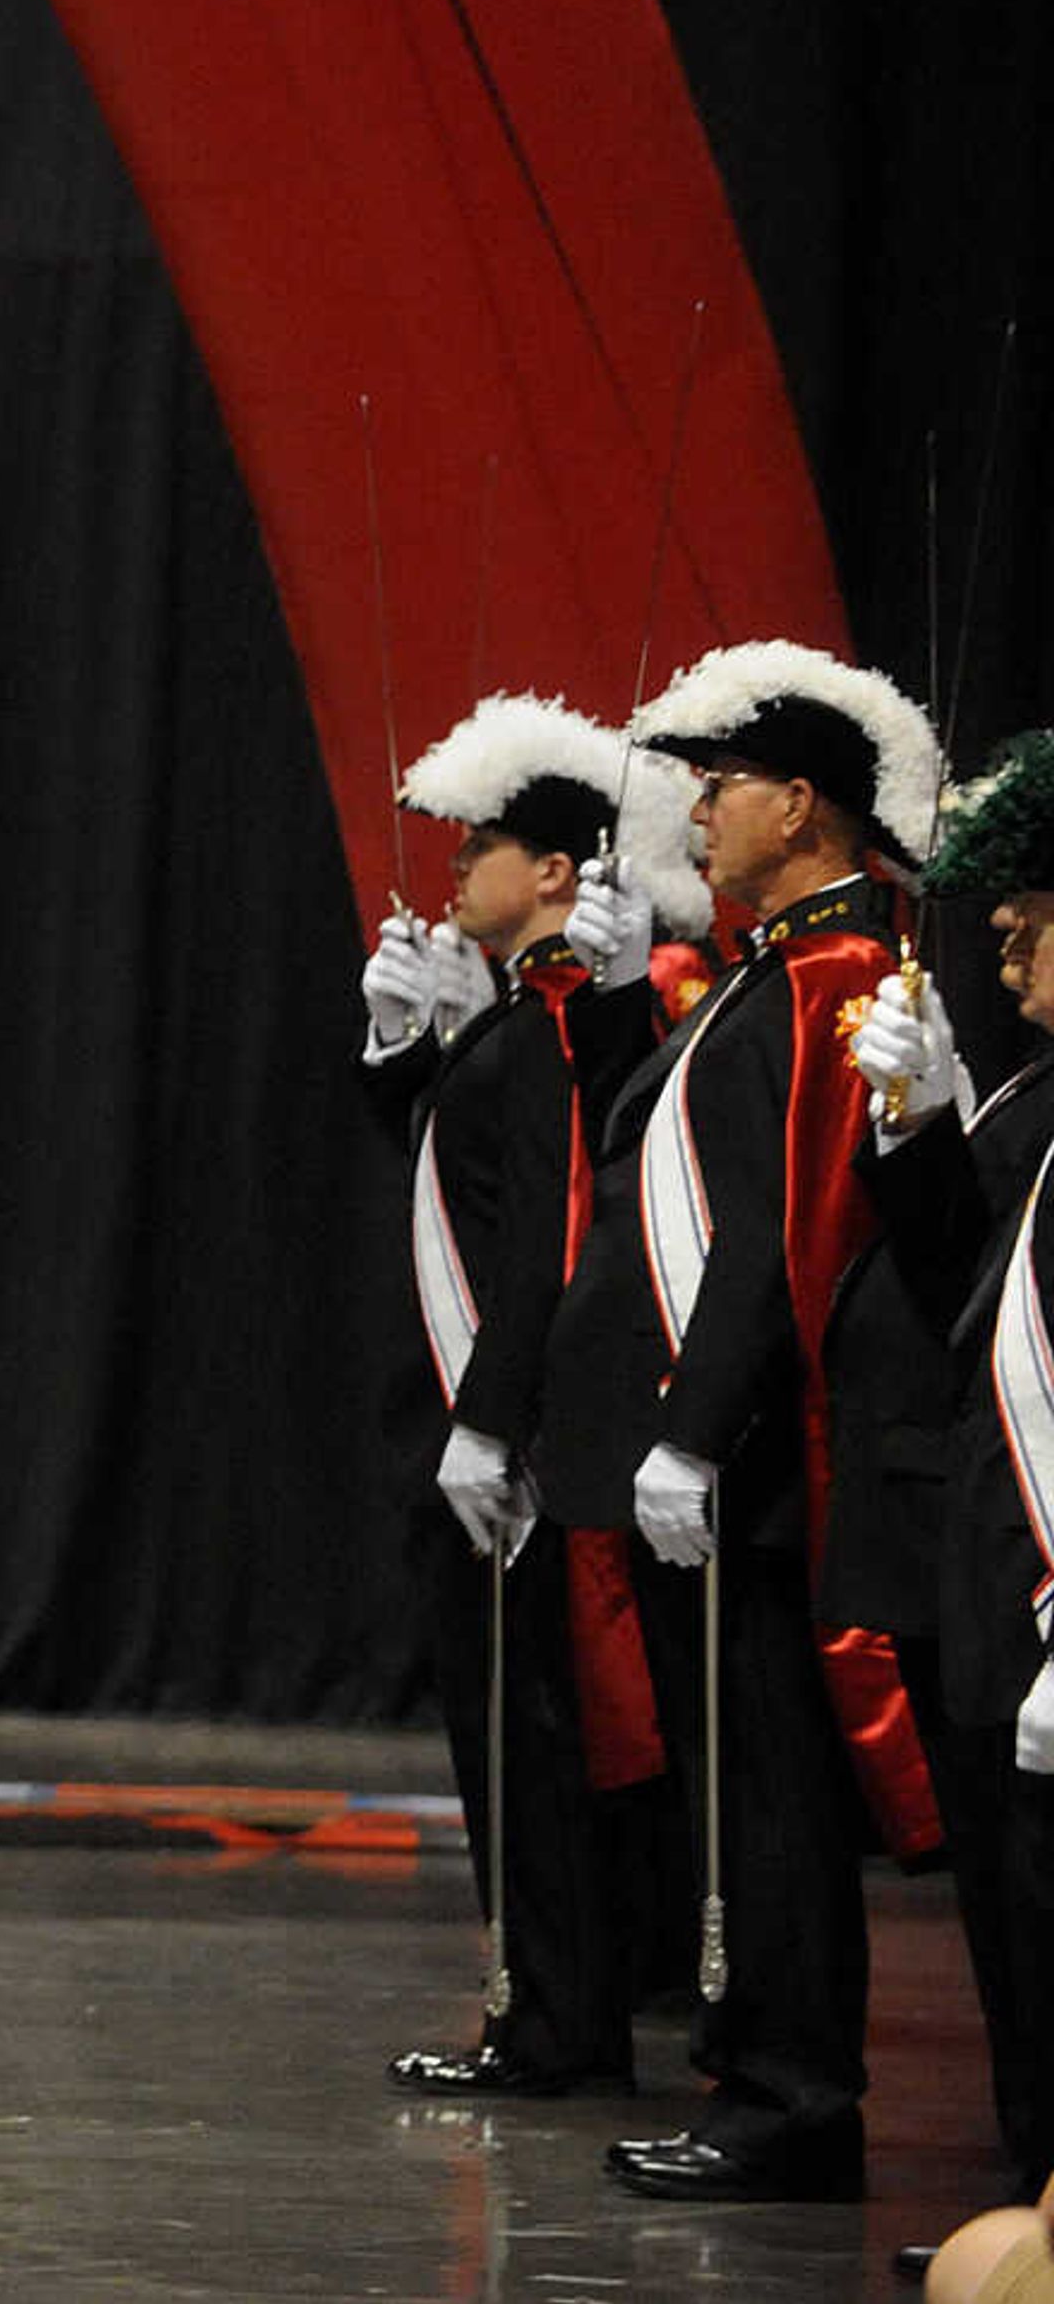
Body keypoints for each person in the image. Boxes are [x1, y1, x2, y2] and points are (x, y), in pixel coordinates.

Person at [538, 639, 948, 2202]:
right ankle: (752, 2067)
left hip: (763, 1457)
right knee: (732, 1780)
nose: (696, 818)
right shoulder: (771, 969)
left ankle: (792, 2093)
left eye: (721, 792)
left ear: (804, 802)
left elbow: (791, 1228)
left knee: (767, 1788)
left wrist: (697, 1428)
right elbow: (663, 1167)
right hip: (711, 1448)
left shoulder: (842, 972)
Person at [356, 696, 691, 2099]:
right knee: (509, 1732)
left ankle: (552, 2016)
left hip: (522, 1444)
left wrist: (492, 1420)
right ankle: (543, 2003)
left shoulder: (564, 1020)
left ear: (558, 871)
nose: (457, 866)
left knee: (530, 1738)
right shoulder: (513, 1020)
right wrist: (408, 1051)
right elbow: (465, 1178)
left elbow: (546, 1238)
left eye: (486, 843)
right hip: (490, 1428)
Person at [847, 731, 1054, 2209]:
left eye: (1036, 916)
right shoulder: (1032, 1091)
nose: (1007, 935)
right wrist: (920, 1124)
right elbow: (952, 1277)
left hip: (1039, 1578)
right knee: (1010, 1915)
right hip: (985, 1566)